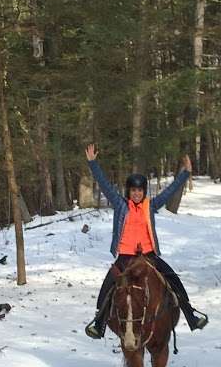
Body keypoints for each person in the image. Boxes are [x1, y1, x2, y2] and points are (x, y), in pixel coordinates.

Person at [83, 143, 208, 339]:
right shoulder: (120, 204)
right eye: (133, 190)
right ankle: (99, 323)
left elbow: (169, 192)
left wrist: (185, 174)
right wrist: (92, 163)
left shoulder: (151, 205)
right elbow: (105, 185)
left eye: (140, 191)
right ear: (128, 192)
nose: (137, 194)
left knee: (173, 279)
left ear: (144, 192)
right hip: (125, 258)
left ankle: (190, 315)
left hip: (149, 256)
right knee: (107, 287)